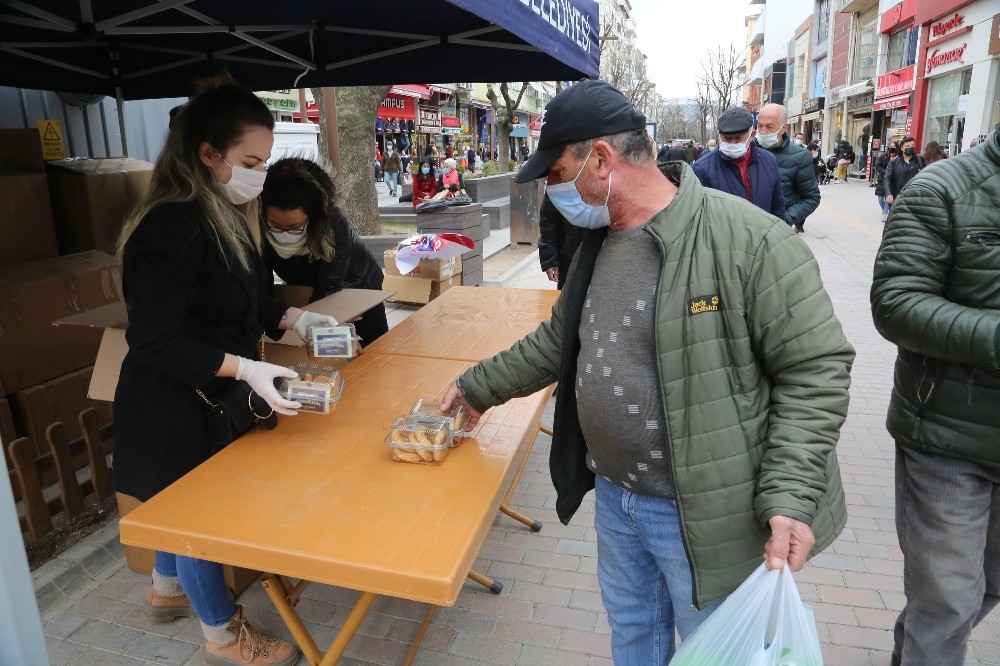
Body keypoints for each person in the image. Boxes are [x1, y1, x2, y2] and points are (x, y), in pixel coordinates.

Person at [439, 79, 854, 666]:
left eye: (557, 174)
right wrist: (478, 386)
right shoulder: (597, 241)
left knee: (715, 649)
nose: (553, 191)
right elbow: (562, 339)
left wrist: (790, 493)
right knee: (634, 634)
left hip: (708, 511)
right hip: (617, 495)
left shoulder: (748, 240)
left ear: (600, 159)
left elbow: (816, 370)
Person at [113, 84, 345, 666]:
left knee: (179, 505)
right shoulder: (169, 227)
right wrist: (246, 367)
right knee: (199, 518)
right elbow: (155, 339)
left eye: (263, 162)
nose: (259, 176)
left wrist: (297, 317)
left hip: (208, 391)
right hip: (174, 402)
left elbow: (246, 296)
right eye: (249, 162)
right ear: (208, 154)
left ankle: (165, 588)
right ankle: (222, 635)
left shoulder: (222, 215)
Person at [871, 126, 1000, 666]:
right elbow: (896, 302)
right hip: (948, 438)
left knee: (984, 587)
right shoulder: (942, 190)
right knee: (947, 600)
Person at [261, 157, 389, 346]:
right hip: (304, 288)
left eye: (295, 227)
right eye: (276, 226)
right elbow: (262, 284)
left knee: (374, 348)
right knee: (324, 351)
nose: (284, 234)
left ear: (312, 216)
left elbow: (328, 286)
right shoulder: (257, 227)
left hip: (358, 284)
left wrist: (311, 325)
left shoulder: (331, 223)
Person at [691, 107, 786, 220]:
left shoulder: (768, 160)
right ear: (719, 135)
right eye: (726, 138)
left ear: (752, 135)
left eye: (738, 139)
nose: (732, 143)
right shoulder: (701, 168)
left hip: (762, 235)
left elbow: (777, 207)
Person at [755, 103, 821, 234]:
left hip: (777, 232)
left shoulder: (800, 156)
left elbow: (811, 198)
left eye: (769, 126)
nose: (763, 131)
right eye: (760, 126)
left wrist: (785, 219)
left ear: (784, 128)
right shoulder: (748, 150)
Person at [537, 193, 585, 289]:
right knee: (569, 297)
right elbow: (549, 224)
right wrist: (550, 259)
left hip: (606, 255)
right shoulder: (559, 182)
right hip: (569, 256)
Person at [884, 136, 925, 206]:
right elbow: (887, 178)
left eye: (912, 145)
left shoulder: (919, 159)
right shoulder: (894, 162)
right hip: (898, 197)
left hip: (915, 197)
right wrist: (888, 194)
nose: (910, 147)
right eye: (907, 146)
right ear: (902, 148)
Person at [874, 142, 898, 222]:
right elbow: (877, 166)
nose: (892, 147)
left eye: (894, 146)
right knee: (880, 199)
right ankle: (886, 211)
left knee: (888, 198)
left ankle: (884, 214)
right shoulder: (883, 156)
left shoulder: (898, 157)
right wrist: (885, 172)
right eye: (890, 146)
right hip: (882, 180)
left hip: (892, 181)